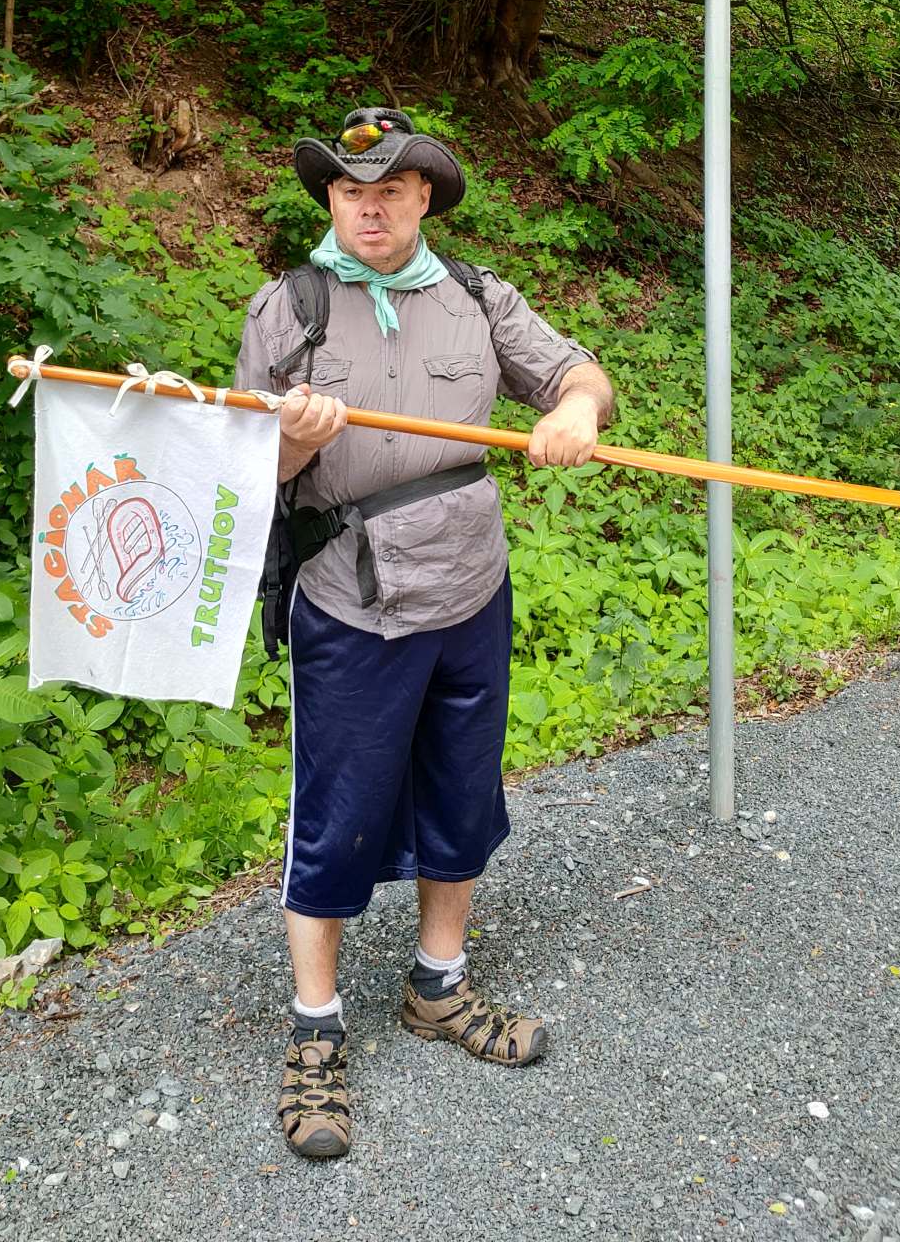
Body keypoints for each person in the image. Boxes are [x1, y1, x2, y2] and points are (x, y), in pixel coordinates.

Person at [233, 108, 613, 1161]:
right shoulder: (289, 309)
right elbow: (238, 472)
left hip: (470, 589)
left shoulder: (478, 299)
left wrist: (576, 412)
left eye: (391, 190)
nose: (370, 207)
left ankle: (438, 987)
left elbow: (578, 374)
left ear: (424, 199)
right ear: (329, 200)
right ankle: (316, 1028)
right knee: (336, 813)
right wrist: (287, 447)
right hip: (349, 600)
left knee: (462, 789)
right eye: (351, 190)